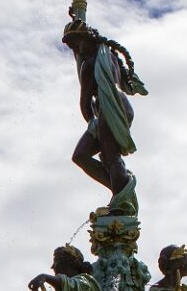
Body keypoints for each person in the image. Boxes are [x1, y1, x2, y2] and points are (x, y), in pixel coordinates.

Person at [63, 16, 148, 213]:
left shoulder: (91, 63)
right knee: (106, 156)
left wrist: (91, 121)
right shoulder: (108, 55)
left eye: (77, 44)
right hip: (122, 106)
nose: (76, 50)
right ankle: (120, 193)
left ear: (87, 39)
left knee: (94, 156)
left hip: (107, 108)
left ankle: (122, 196)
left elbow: (84, 102)